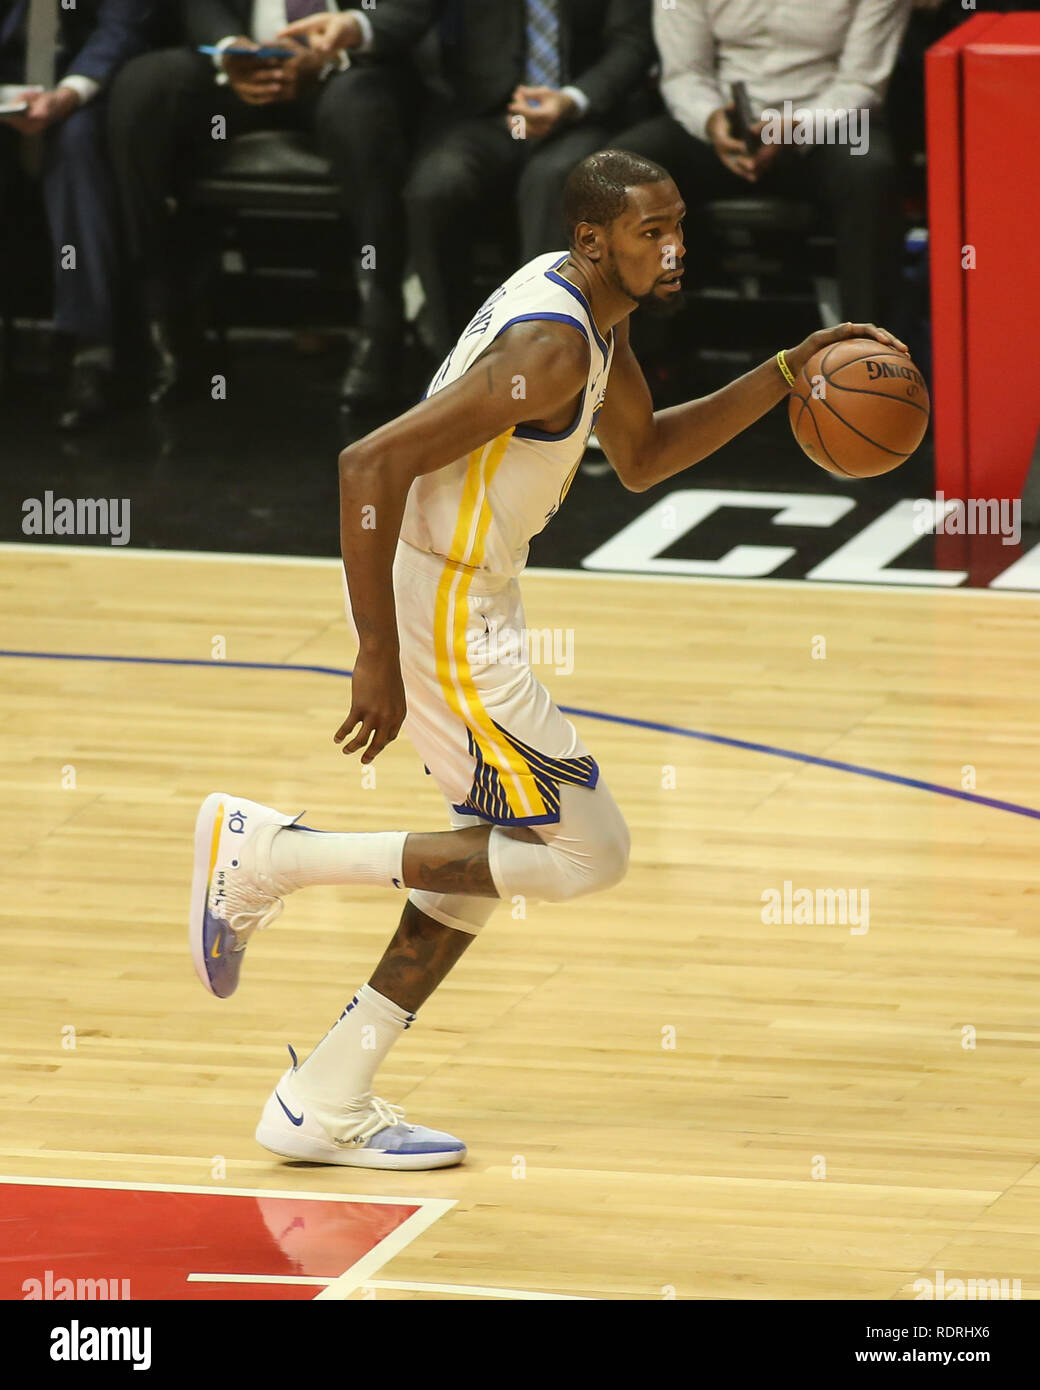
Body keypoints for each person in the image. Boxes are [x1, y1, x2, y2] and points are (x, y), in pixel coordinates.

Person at [189, 149, 908, 1169]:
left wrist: (788, 371)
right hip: (443, 607)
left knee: (485, 853)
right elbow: (369, 461)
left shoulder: (590, 319)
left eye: (677, 228)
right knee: (588, 851)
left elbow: (644, 453)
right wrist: (374, 655)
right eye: (649, 233)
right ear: (591, 241)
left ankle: (323, 1093)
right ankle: (269, 856)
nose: (672, 250)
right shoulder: (553, 348)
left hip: (469, 592)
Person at [280, 0, 656, 397]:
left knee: (553, 182)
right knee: (433, 190)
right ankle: (459, 372)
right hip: (490, 115)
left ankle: (549, 375)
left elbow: (632, 43)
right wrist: (353, 26)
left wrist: (575, 99)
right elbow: (410, 11)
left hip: (584, 117)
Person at [105, 2, 415, 407]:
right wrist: (230, 48)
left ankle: (380, 325)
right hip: (238, 76)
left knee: (362, 109)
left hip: (347, 70)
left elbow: (408, 10)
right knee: (144, 85)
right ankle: (168, 324)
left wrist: (340, 43)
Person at [614, 0, 913, 326]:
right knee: (625, 171)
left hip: (828, 121)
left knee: (870, 171)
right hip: (725, 121)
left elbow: (862, 82)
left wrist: (799, 125)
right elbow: (685, 74)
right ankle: (631, 357)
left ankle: (872, 356)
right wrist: (711, 120)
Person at [0, 0, 158, 429]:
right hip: (9, 77)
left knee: (76, 144)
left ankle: (91, 349)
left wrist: (68, 94)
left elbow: (123, 27)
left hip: (89, 83)